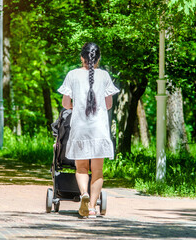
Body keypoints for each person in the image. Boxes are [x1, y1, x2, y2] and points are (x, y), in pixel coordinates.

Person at [57, 42, 119, 218]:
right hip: (99, 130)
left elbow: (66, 104)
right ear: (98, 58)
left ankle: (83, 194)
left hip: (80, 128)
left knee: (81, 168)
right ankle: (92, 207)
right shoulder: (104, 76)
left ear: (81, 58)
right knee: (97, 171)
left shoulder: (72, 75)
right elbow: (108, 105)